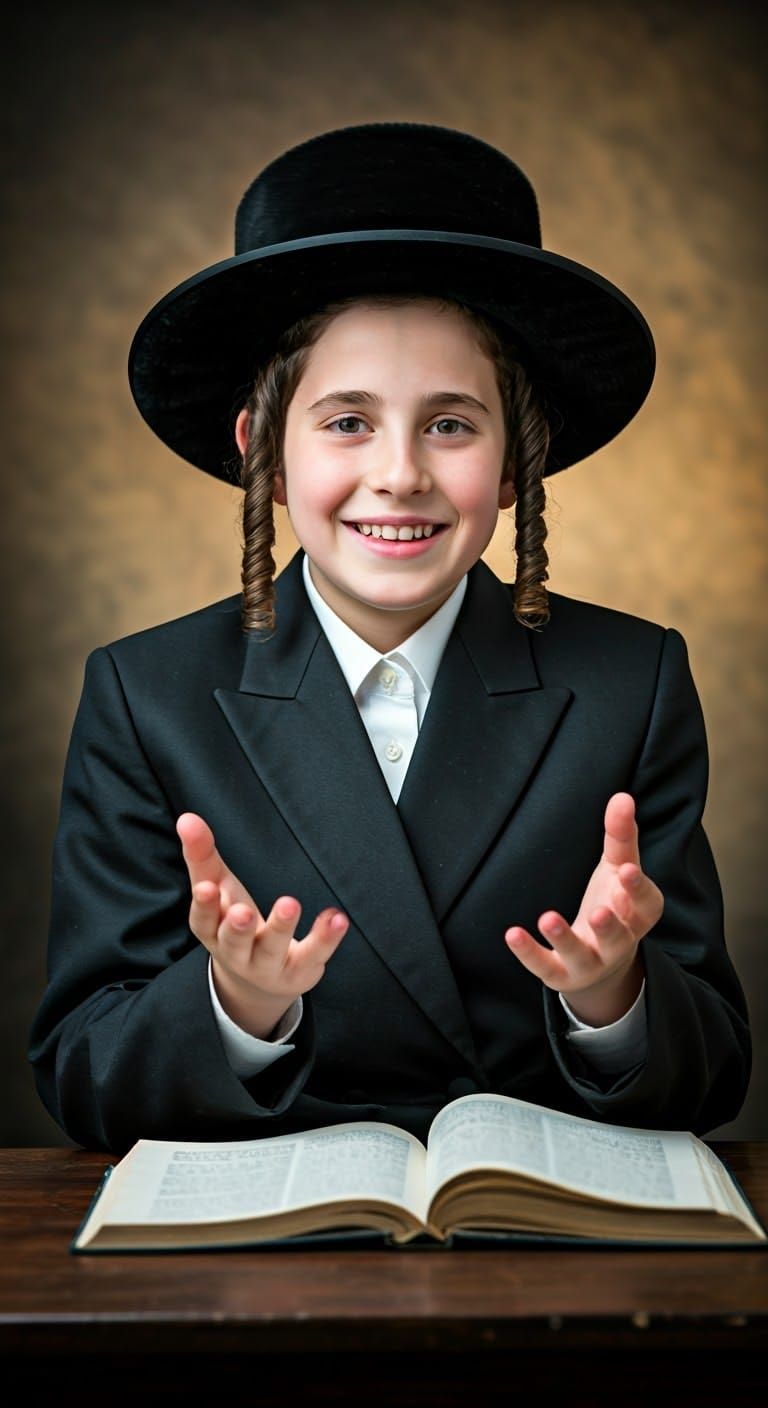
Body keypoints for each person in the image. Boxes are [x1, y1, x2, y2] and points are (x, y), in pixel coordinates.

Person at [29, 122, 750, 1155]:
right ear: (264, 452)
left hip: (533, 1241)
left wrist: (612, 993)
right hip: (262, 1257)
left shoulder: (630, 682)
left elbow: (716, 1067)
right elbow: (80, 1069)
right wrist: (237, 1006)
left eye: (451, 424)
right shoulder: (148, 695)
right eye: (347, 421)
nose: (402, 473)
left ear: (515, 462)